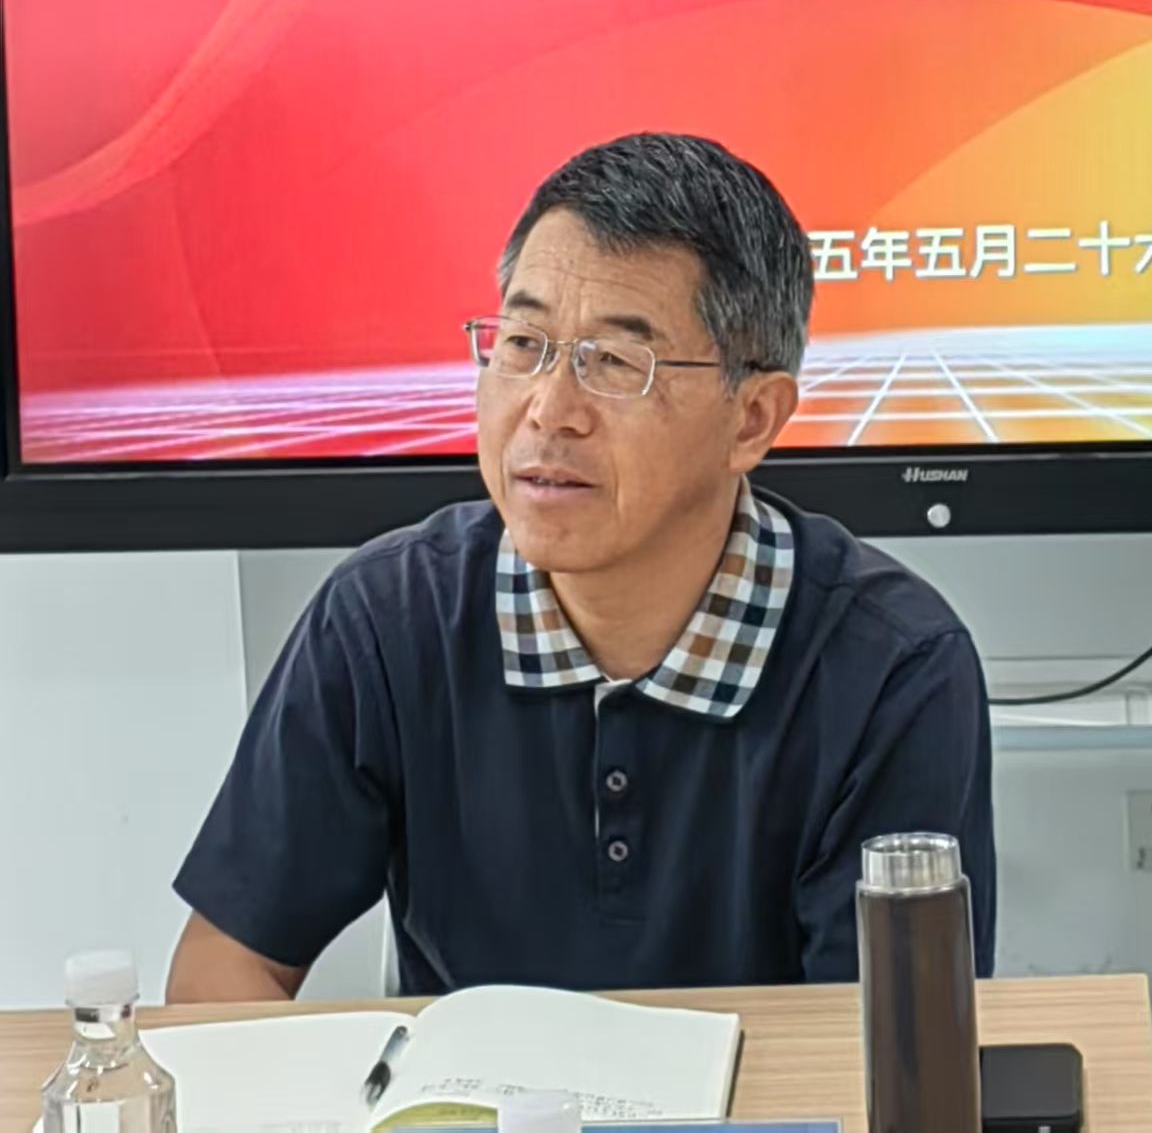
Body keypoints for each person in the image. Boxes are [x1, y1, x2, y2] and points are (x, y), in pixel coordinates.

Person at [167, 133, 995, 1001]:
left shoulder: (893, 668)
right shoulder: (387, 618)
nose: (549, 411)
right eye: (523, 343)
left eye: (615, 363)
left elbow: (895, 1037)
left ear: (751, 419)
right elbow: (228, 962)